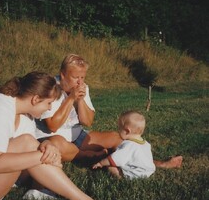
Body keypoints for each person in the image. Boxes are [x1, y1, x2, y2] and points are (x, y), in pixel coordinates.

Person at [0, 71, 125, 200]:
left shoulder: (26, 115)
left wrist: (46, 145)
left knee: (34, 144)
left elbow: (30, 145)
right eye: (49, 103)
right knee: (29, 145)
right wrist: (44, 156)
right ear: (35, 99)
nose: (50, 108)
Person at [35, 54, 183, 168]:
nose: (80, 82)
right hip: (53, 138)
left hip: (78, 136)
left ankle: (157, 163)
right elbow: (52, 126)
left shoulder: (83, 87)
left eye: (83, 77)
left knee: (117, 138)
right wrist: (70, 99)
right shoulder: (49, 87)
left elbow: (87, 121)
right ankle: (89, 157)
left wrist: (79, 100)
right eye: (75, 77)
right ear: (62, 75)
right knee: (57, 144)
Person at [93, 110, 156, 179]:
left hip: (136, 174)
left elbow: (114, 159)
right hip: (148, 171)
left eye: (119, 128)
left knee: (110, 166)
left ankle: (120, 177)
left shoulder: (129, 145)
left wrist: (101, 163)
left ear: (127, 131)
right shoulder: (145, 143)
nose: (118, 130)